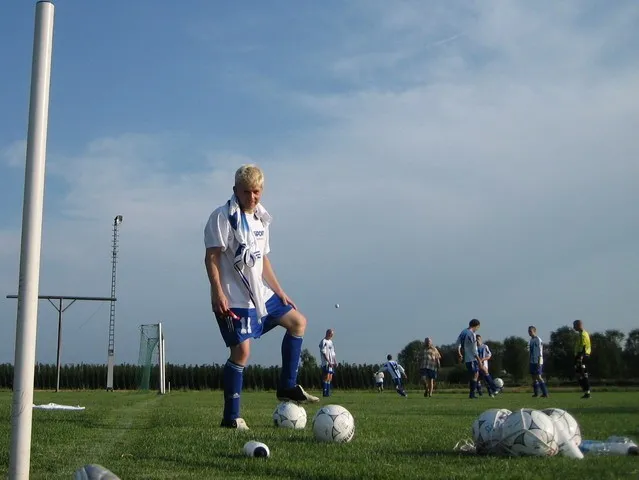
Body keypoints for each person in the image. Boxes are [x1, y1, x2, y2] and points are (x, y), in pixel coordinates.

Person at [204, 164, 319, 430]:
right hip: (233, 298)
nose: (252, 197)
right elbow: (211, 257)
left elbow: (263, 260)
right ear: (235, 190)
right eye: (246, 192)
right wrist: (217, 291)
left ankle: (287, 386)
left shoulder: (261, 219)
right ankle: (231, 418)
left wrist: (279, 291)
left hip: (261, 296)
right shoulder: (222, 217)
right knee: (241, 352)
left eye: (256, 192)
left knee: (298, 322)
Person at [457, 319, 482, 399]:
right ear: (476, 326)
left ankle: (473, 393)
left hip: (467, 358)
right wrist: (479, 360)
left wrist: (459, 353)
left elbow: (458, 344)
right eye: (478, 327)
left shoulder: (463, 332)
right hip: (472, 358)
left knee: (475, 374)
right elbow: (474, 349)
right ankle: (472, 394)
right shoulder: (472, 334)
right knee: (475, 375)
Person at [573, 320, 592, 399]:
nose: (573, 327)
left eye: (574, 325)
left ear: (578, 325)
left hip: (582, 356)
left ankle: (587, 392)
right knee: (580, 374)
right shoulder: (582, 333)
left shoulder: (583, 334)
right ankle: (586, 392)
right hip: (581, 355)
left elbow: (584, 346)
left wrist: (580, 357)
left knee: (582, 374)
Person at [528, 326, 548, 398]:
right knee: (533, 377)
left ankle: (545, 393)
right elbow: (530, 351)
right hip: (532, 361)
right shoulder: (531, 340)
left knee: (539, 376)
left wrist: (539, 362)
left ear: (534, 331)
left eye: (530, 331)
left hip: (538, 361)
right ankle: (536, 393)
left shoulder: (538, 339)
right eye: (528, 331)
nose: (529, 333)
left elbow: (540, 351)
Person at [319, 329, 337, 397]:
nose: (331, 336)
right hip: (326, 362)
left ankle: (328, 392)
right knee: (326, 377)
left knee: (330, 377)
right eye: (330, 334)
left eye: (332, 334)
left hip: (331, 362)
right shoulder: (323, 341)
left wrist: (334, 361)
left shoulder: (331, 342)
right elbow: (323, 352)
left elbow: (333, 352)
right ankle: (325, 393)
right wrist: (328, 361)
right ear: (327, 333)